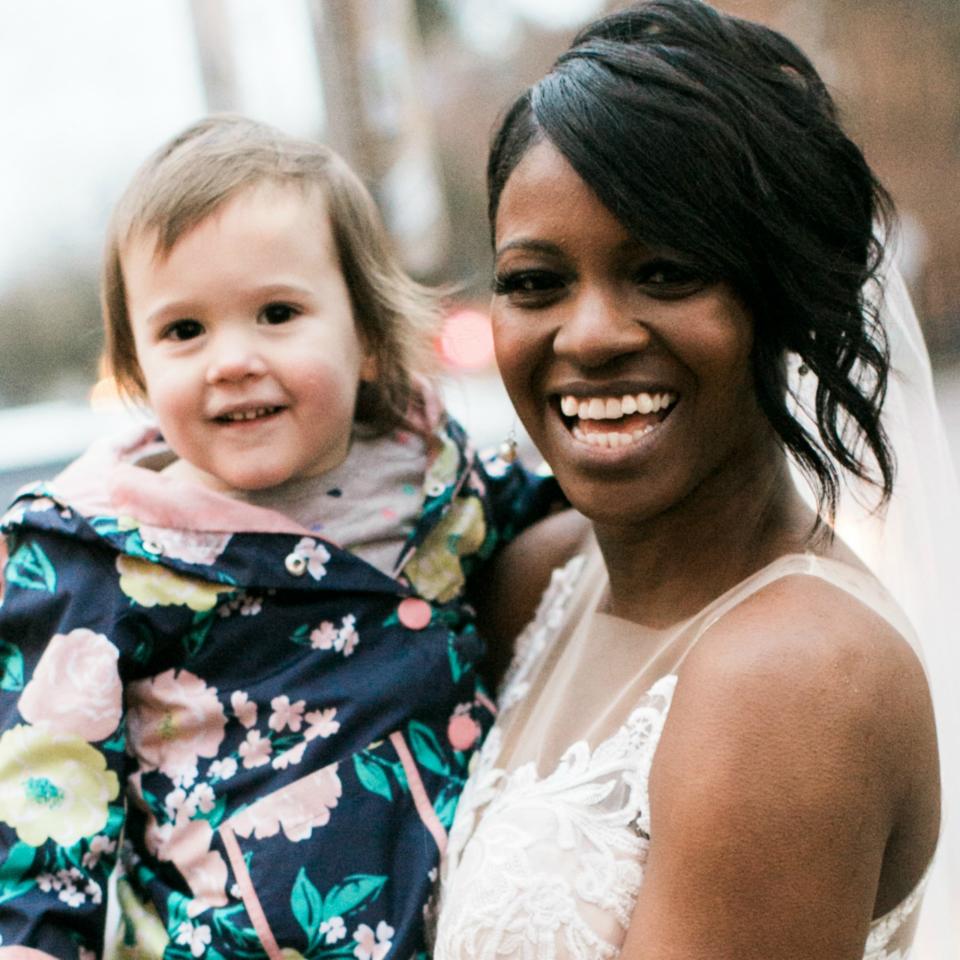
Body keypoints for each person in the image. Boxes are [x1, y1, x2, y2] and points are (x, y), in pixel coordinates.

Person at [433, 1, 960, 957]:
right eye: (535, 282)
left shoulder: (796, 678)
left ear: (782, 298)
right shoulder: (538, 578)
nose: (590, 335)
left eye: (668, 272)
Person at [0, 115, 563, 959]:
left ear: (368, 338)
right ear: (137, 367)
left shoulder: (436, 481)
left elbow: (572, 511)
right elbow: (46, 821)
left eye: (276, 313)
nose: (230, 359)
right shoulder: (100, 558)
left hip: (481, 920)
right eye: (184, 331)